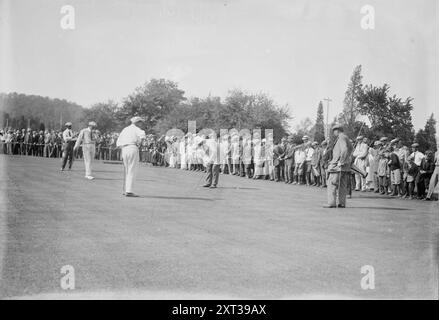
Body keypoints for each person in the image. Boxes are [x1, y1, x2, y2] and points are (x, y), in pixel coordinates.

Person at [116, 116, 146, 197]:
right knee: (132, 169)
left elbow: (118, 142)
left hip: (124, 149)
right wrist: (140, 143)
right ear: (137, 123)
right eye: (140, 122)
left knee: (127, 169)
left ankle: (125, 189)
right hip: (132, 147)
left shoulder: (125, 129)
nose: (141, 124)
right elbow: (143, 135)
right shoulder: (136, 129)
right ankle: (129, 191)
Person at [325, 124, 353, 208]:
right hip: (344, 167)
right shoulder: (346, 137)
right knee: (342, 185)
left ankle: (331, 203)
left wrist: (341, 161)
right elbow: (350, 148)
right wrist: (346, 159)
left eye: (334, 131)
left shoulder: (341, 137)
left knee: (332, 184)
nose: (333, 133)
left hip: (337, 166)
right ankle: (342, 203)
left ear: (337, 130)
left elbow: (344, 149)